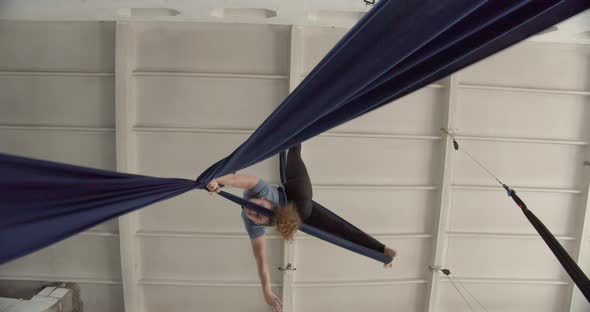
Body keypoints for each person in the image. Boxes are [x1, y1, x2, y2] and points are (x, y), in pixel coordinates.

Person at [207, 144, 396, 312]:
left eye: (258, 213)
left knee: (293, 149)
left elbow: (238, 179)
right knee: (338, 231)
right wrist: (266, 290)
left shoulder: (257, 196)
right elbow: (260, 257)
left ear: (265, 202)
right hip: (300, 203)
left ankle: (380, 249)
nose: (253, 214)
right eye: (258, 215)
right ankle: (382, 250)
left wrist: (220, 181)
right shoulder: (257, 208)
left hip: (293, 191)